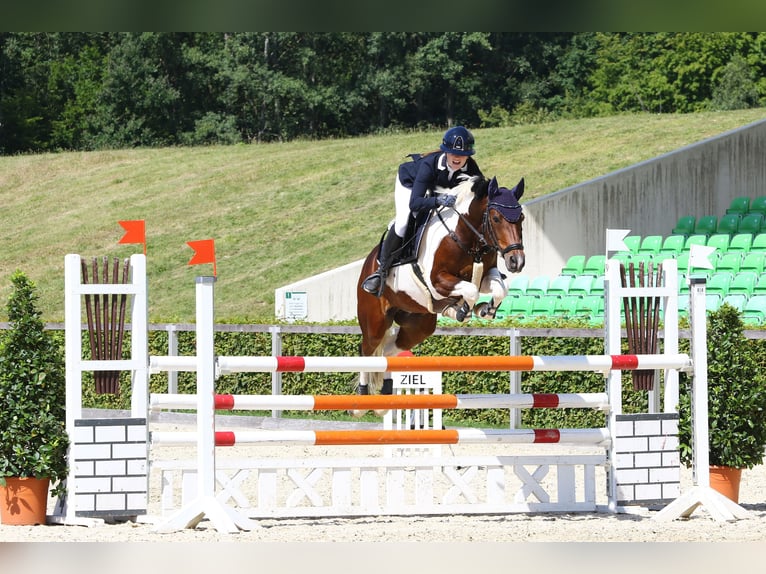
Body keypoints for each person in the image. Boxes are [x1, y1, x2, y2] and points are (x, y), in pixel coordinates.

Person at [362, 125, 484, 296]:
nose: (457, 158)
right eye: (453, 153)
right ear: (446, 152)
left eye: (463, 155)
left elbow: (481, 195)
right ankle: (382, 270)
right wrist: (437, 200)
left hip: (438, 188)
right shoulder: (429, 164)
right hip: (411, 184)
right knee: (404, 221)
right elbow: (415, 203)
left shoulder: (471, 168)